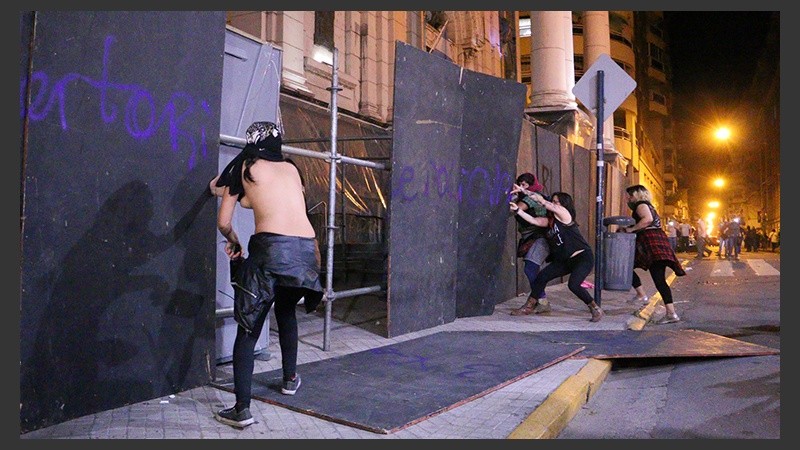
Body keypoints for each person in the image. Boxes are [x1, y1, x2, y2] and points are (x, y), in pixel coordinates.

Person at [214, 121, 324, 429]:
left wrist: (234, 240)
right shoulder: (292, 168)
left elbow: (224, 221)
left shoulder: (244, 167)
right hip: (305, 249)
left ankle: (241, 409)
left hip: (272, 248)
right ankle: (290, 379)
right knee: (286, 310)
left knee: (249, 326)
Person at [509, 190, 604, 322]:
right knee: (541, 277)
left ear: (564, 204)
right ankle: (529, 306)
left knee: (573, 285)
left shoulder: (566, 216)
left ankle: (594, 307)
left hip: (581, 258)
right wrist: (518, 210)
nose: (553, 204)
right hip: (564, 261)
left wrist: (531, 194)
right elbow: (534, 220)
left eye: (556, 202)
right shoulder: (550, 221)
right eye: (552, 201)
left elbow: (548, 205)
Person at [622, 185, 686, 324]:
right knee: (657, 279)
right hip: (656, 241)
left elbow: (647, 220)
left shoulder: (641, 205)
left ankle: (665, 310)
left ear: (637, 195)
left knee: (629, 268)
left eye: (630, 196)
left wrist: (631, 229)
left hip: (651, 243)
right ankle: (667, 311)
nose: (628, 199)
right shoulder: (648, 205)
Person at [509, 173, 551, 315]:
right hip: (533, 237)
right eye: (520, 184)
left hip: (539, 237)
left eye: (524, 184)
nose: (521, 187)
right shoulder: (531, 196)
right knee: (532, 269)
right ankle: (541, 301)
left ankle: (540, 301)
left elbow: (515, 209)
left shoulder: (531, 198)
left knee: (530, 268)